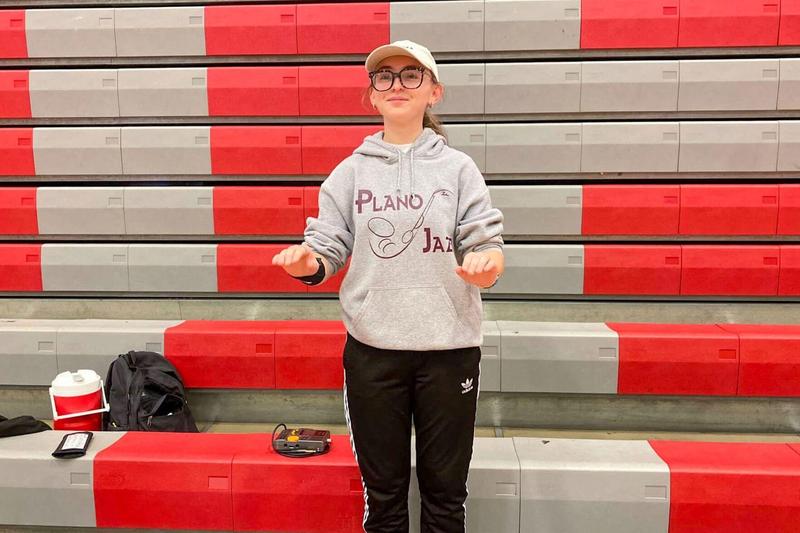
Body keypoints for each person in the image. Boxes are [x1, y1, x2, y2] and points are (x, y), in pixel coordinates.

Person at [272, 39, 504, 533]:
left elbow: (486, 244)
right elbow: (327, 248)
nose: (397, 85)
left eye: (411, 75)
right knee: (384, 499)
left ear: (434, 91)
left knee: (446, 496)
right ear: (372, 95)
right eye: (385, 76)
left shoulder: (459, 169)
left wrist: (487, 266)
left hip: (450, 351)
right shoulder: (350, 172)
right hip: (373, 354)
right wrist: (308, 263)